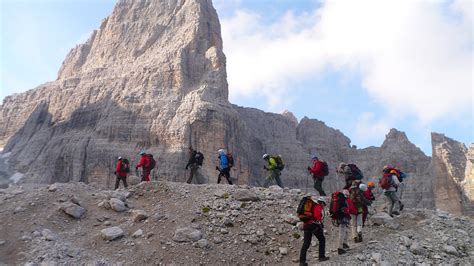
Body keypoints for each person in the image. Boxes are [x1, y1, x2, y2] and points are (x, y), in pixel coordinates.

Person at [299, 196, 330, 265]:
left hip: (306, 225)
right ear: (322, 203)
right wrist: (320, 224)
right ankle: (321, 257)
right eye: (324, 204)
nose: (324, 206)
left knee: (306, 244)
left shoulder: (312, 206)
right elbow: (316, 216)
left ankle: (302, 262)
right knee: (322, 239)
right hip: (313, 225)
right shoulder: (318, 206)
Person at [334, 189, 351, 255]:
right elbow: (342, 210)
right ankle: (340, 248)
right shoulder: (342, 200)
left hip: (341, 218)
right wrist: (344, 216)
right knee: (342, 232)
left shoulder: (340, 199)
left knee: (345, 231)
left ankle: (345, 244)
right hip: (343, 219)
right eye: (348, 195)